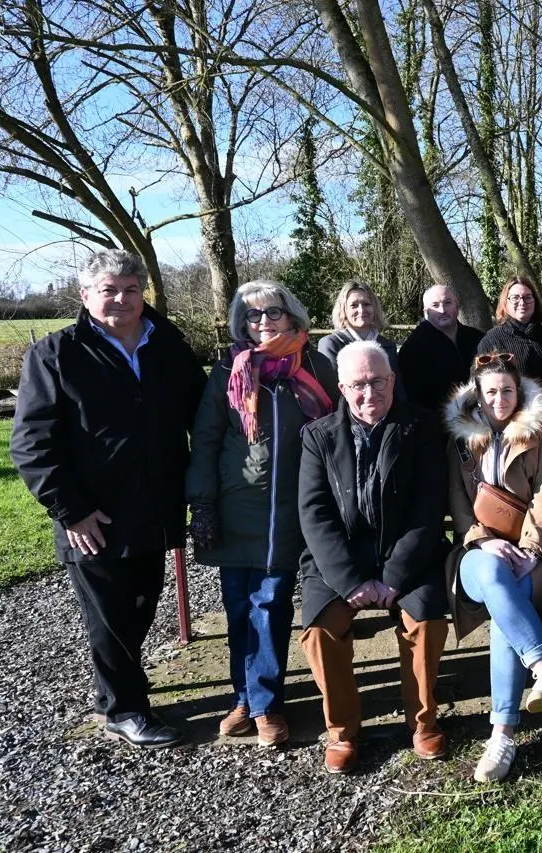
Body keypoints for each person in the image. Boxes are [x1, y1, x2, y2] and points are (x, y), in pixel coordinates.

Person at [10, 249, 206, 748]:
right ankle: (123, 709)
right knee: (109, 616)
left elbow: (202, 414)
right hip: (92, 515)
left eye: (131, 289)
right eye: (109, 290)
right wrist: (71, 510)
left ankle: (120, 694)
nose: (121, 299)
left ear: (144, 293)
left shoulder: (167, 346)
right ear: (85, 296)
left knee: (141, 604)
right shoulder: (56, 354)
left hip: (155, 507)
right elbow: (32, 443)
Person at [185, 280, 338, 747]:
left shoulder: (315, 366)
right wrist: (202, 502)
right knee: (237, 607)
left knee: (270, 603)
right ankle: (243, 698)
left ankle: (266, 704)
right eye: (253, 315)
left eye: (273, 312)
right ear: (242, 323)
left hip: (291, 508)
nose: (264, 322)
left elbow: (335, 430)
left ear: (291, 315)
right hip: (238, 506)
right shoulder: (228, 371)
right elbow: (206, 440)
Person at [298, 341, 450, 773]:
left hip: (407, 555)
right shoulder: (317, 436)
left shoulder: (422, 427)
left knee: (425, 621)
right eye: (359, 385)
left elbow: (428, 509)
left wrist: (394, 577)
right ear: (342, 388)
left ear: (392, 380)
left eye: (378, 382)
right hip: (341, 560)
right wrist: (350, 581)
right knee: (320, 629)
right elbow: (313, 512)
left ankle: (423, 722)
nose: (370, 393)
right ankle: (343, 731)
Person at [444, 352, 542, 782]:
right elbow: (458, 503)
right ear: (477, 395)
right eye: (491, 392)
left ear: (519, 392)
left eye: (507, 391)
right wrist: (484, 540)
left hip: (536, 552)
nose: (499, 399)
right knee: (494, 574)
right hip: (477, 551)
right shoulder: (461, 437)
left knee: (507, 606)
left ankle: (502, 735)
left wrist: (531, 549)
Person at [477, 276, 542, 433]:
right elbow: (483, 386)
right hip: (515, 427)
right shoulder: (492, 340)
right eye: (515, 297)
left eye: (527, 297)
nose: (522, 302)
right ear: (505, 302)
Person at [398, 284, 485, 412]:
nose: (442, 310)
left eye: (447, 303)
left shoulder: (477, 338)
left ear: (457, 306)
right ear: (426, 312)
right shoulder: (413, 348)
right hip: (436, 419)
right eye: (435, 305)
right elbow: (414, 398)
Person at [317, 280, 401, 374]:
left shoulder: (388, 346)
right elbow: (329, 382)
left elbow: (395, 382)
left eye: (366, 304)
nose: (361, 310)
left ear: (375, 308)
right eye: (354, 305)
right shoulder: (331, 344)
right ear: (343, 310)